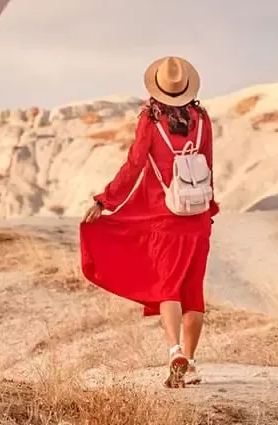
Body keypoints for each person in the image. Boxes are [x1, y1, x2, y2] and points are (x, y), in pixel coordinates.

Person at [80, 55, 219, 388]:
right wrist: (209, 209)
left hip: (164, 217)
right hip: (197, 217)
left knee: (168, 287)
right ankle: (193, 362)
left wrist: (106, 200)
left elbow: (134, 164)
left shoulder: (149, 120)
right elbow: (209, 165)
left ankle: (174, 352)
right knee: (193, 291)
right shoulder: (202, 119)